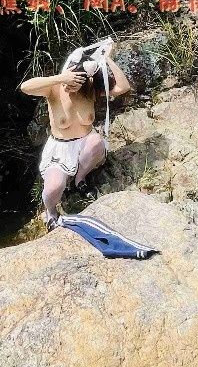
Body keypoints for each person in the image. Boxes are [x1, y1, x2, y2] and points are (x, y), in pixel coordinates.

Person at [20, 41, 131, 230]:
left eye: (80, 81)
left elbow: (123, 87)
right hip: (60, 149)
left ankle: (80, 179)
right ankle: (51, 212)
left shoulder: (90, 89)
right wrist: (60, 78)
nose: (75, 85)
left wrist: (107, 59)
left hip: (85, 144)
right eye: (74, 79)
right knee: (53, 188)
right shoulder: (53, 89)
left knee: (96, 141)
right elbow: (25, 87)